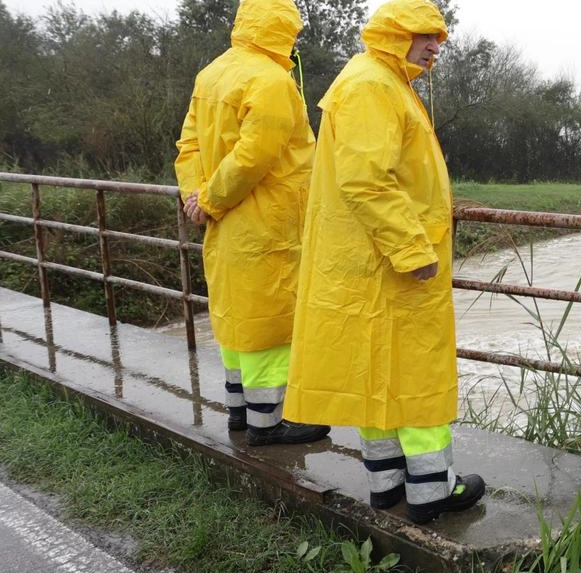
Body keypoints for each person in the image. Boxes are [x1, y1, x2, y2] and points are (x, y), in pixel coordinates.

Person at [282, 0, 485, 524]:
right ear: (396, 33)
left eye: (439, 37)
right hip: (393, 262)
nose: (436, 46)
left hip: (375, 261)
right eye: (425, 36)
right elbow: (367, 179)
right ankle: (432, 492)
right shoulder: (374, 85)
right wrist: (412, 249)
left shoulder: (381, 80)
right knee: (416, 377)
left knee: (381, 373)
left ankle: (389, 488)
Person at [174, 0, 329, 447]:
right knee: (269, 324)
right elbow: (254, 156)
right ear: (283, 30)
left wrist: (195, 197)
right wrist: (211, 199)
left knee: (236, 318)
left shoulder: (211, 73)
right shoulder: (272, 81)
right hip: (266, 221)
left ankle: (240, 412)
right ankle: (268, 424)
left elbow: (188, 145)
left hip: (223, 226)